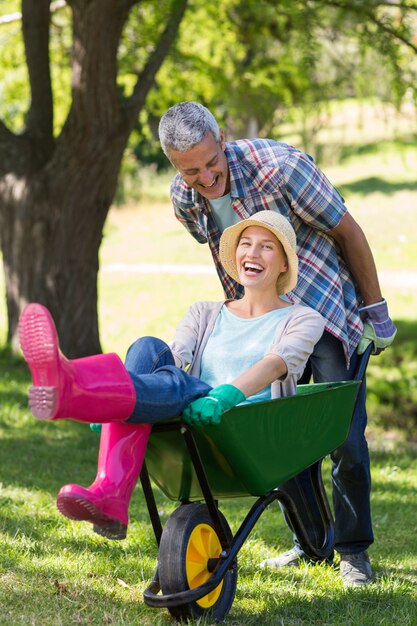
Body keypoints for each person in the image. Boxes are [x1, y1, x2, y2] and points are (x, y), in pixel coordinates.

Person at [158, 101, 397, 587]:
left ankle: (354, 551)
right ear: (172, 164)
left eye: (211, 163)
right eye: (190, 171)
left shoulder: (281, 168)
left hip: (325, 313)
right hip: (263, 320)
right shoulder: (185, 197)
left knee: (344, 439)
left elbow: (347, 231)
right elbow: (225, 255)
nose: (205, 178)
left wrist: (375, 310)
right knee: (276, 432)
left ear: (222, 138)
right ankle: (312, 544)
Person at [18, 211, 324, 542]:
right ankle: (108, 482)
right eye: (245, 244)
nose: (252, 253)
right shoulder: (205, 312)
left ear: (283, 264)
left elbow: (277, 362)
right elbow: (176, 358)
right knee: (147, 348)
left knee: (178, 385)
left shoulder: (303, 318)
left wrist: (226, 395)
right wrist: (131, 390)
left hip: (241, 420)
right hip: (189, 405)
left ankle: (83, 393)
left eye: (266, 247)